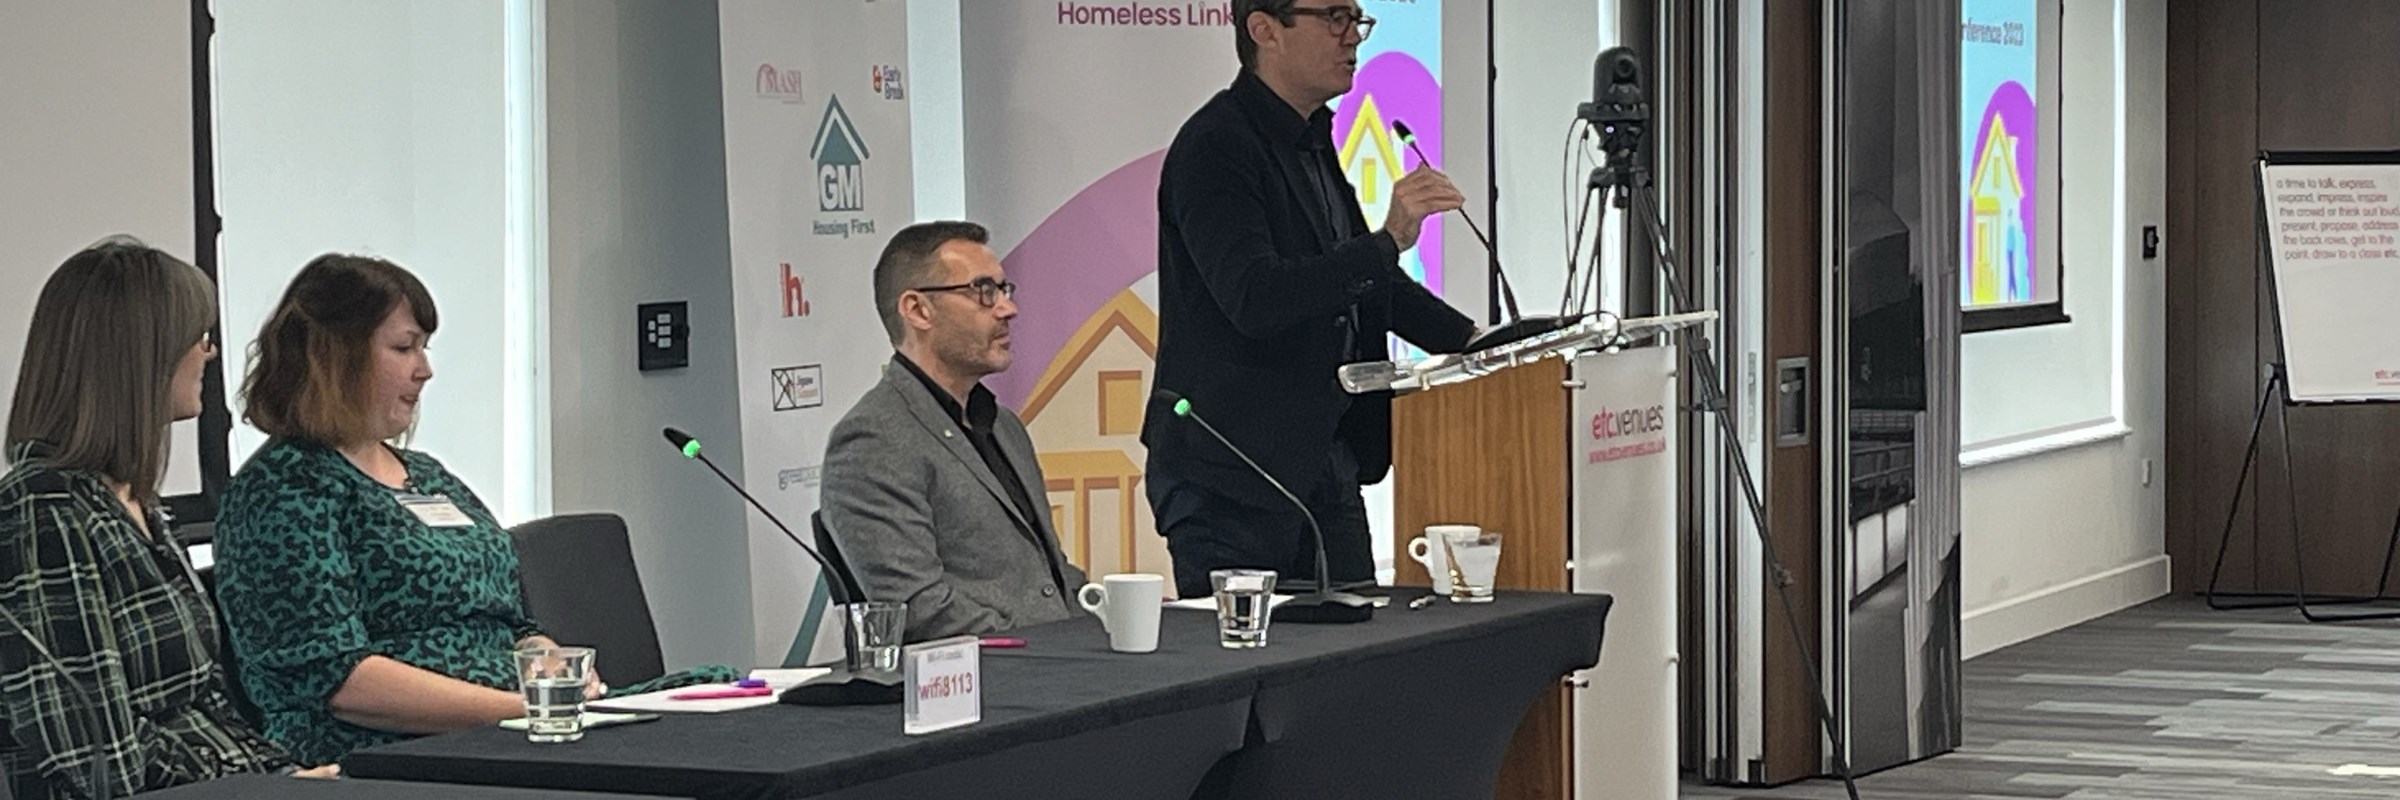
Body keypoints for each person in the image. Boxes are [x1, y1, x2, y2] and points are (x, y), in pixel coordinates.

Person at [214, 254, 729, 766]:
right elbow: (336, 681)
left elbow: (510, 619)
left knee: (720, 693)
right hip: (393, 753)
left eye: (424, 348)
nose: (425, 370)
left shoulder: (427, 474)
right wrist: (531, 711)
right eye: (403, 347)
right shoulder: (283, 490)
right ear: (335, 357)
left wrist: (546, 662)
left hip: (517, 729)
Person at [1145, 0, 1479, 598]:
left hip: (1323, 461)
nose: (1353, 37)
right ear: (1264, 30)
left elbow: (1371, 285)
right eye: (1333, 18)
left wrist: (1481, 345)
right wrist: (1387, 241)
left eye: (1357, 19)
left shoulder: (1312, 140)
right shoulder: (1216, 145)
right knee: (1251, 679)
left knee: (1350, 672)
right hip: (1233, 476)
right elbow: (1257, 298)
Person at [0, 238, 305, 799]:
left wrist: (287, 777)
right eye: (198, 336)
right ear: (142, 354)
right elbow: (100, 756)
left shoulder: (137, 502)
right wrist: (261, 787)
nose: (209, 352)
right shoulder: (42, 510)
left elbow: (207, 704)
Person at [821, 221, 1088, 642]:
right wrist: (1047, 645)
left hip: (1057, 667)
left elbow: (1051, 576)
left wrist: (1108, 617)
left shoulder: (1004, 426)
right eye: (983, 291)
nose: (1006, 308)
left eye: (1004, 289)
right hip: (986, 683)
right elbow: (917, 609)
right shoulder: (874, 439)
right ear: (917, 310)